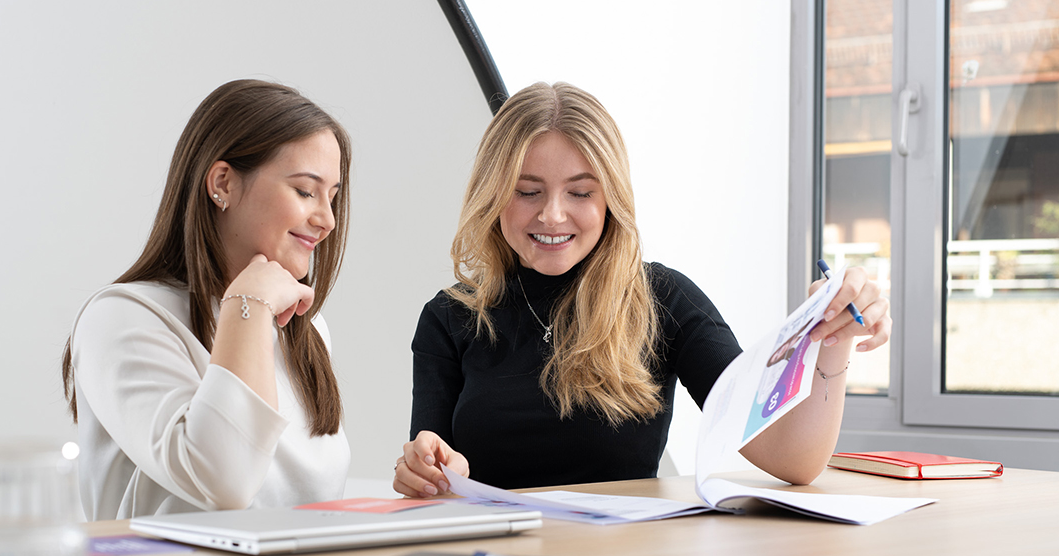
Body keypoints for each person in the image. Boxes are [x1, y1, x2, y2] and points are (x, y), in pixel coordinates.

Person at [393, 82, 890, 496]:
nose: (551, 214)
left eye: (581, 192)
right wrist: (423, 469)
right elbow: (429, 464)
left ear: (611, 198)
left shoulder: (664, 300)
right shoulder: (448, 317)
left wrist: (831, 336)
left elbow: (791, 459)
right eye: (527, 191)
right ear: (493, 193)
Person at [62, 79, 352, 520]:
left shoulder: (304, 330)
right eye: (305, 191)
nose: (327, 220)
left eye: (333, 197)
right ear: (223, 183)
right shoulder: (122, 317)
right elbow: (223, 483)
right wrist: (248, 307)